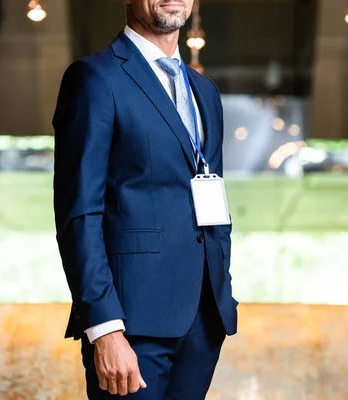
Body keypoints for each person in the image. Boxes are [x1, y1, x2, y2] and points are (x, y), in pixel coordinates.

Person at [52, 0, 237, 398]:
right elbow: (79, 213)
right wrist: (104, 329)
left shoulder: (204, 91)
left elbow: (213, 191)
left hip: (203, 319)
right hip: (131, 323)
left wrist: (223, 286)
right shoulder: (94, 78)